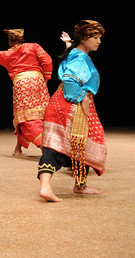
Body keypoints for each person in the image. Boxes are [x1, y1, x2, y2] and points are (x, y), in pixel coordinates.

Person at [37, 20, 106, 202]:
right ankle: (54, 187)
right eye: (95, 37)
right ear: (84, 38)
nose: (99, 41)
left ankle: (76, 185)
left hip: (60, 102)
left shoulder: (75, 53)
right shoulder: (80, 57)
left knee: (67, 144)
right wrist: (81, 98)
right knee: (77, 142)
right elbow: (70, 79)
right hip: (70, 105)